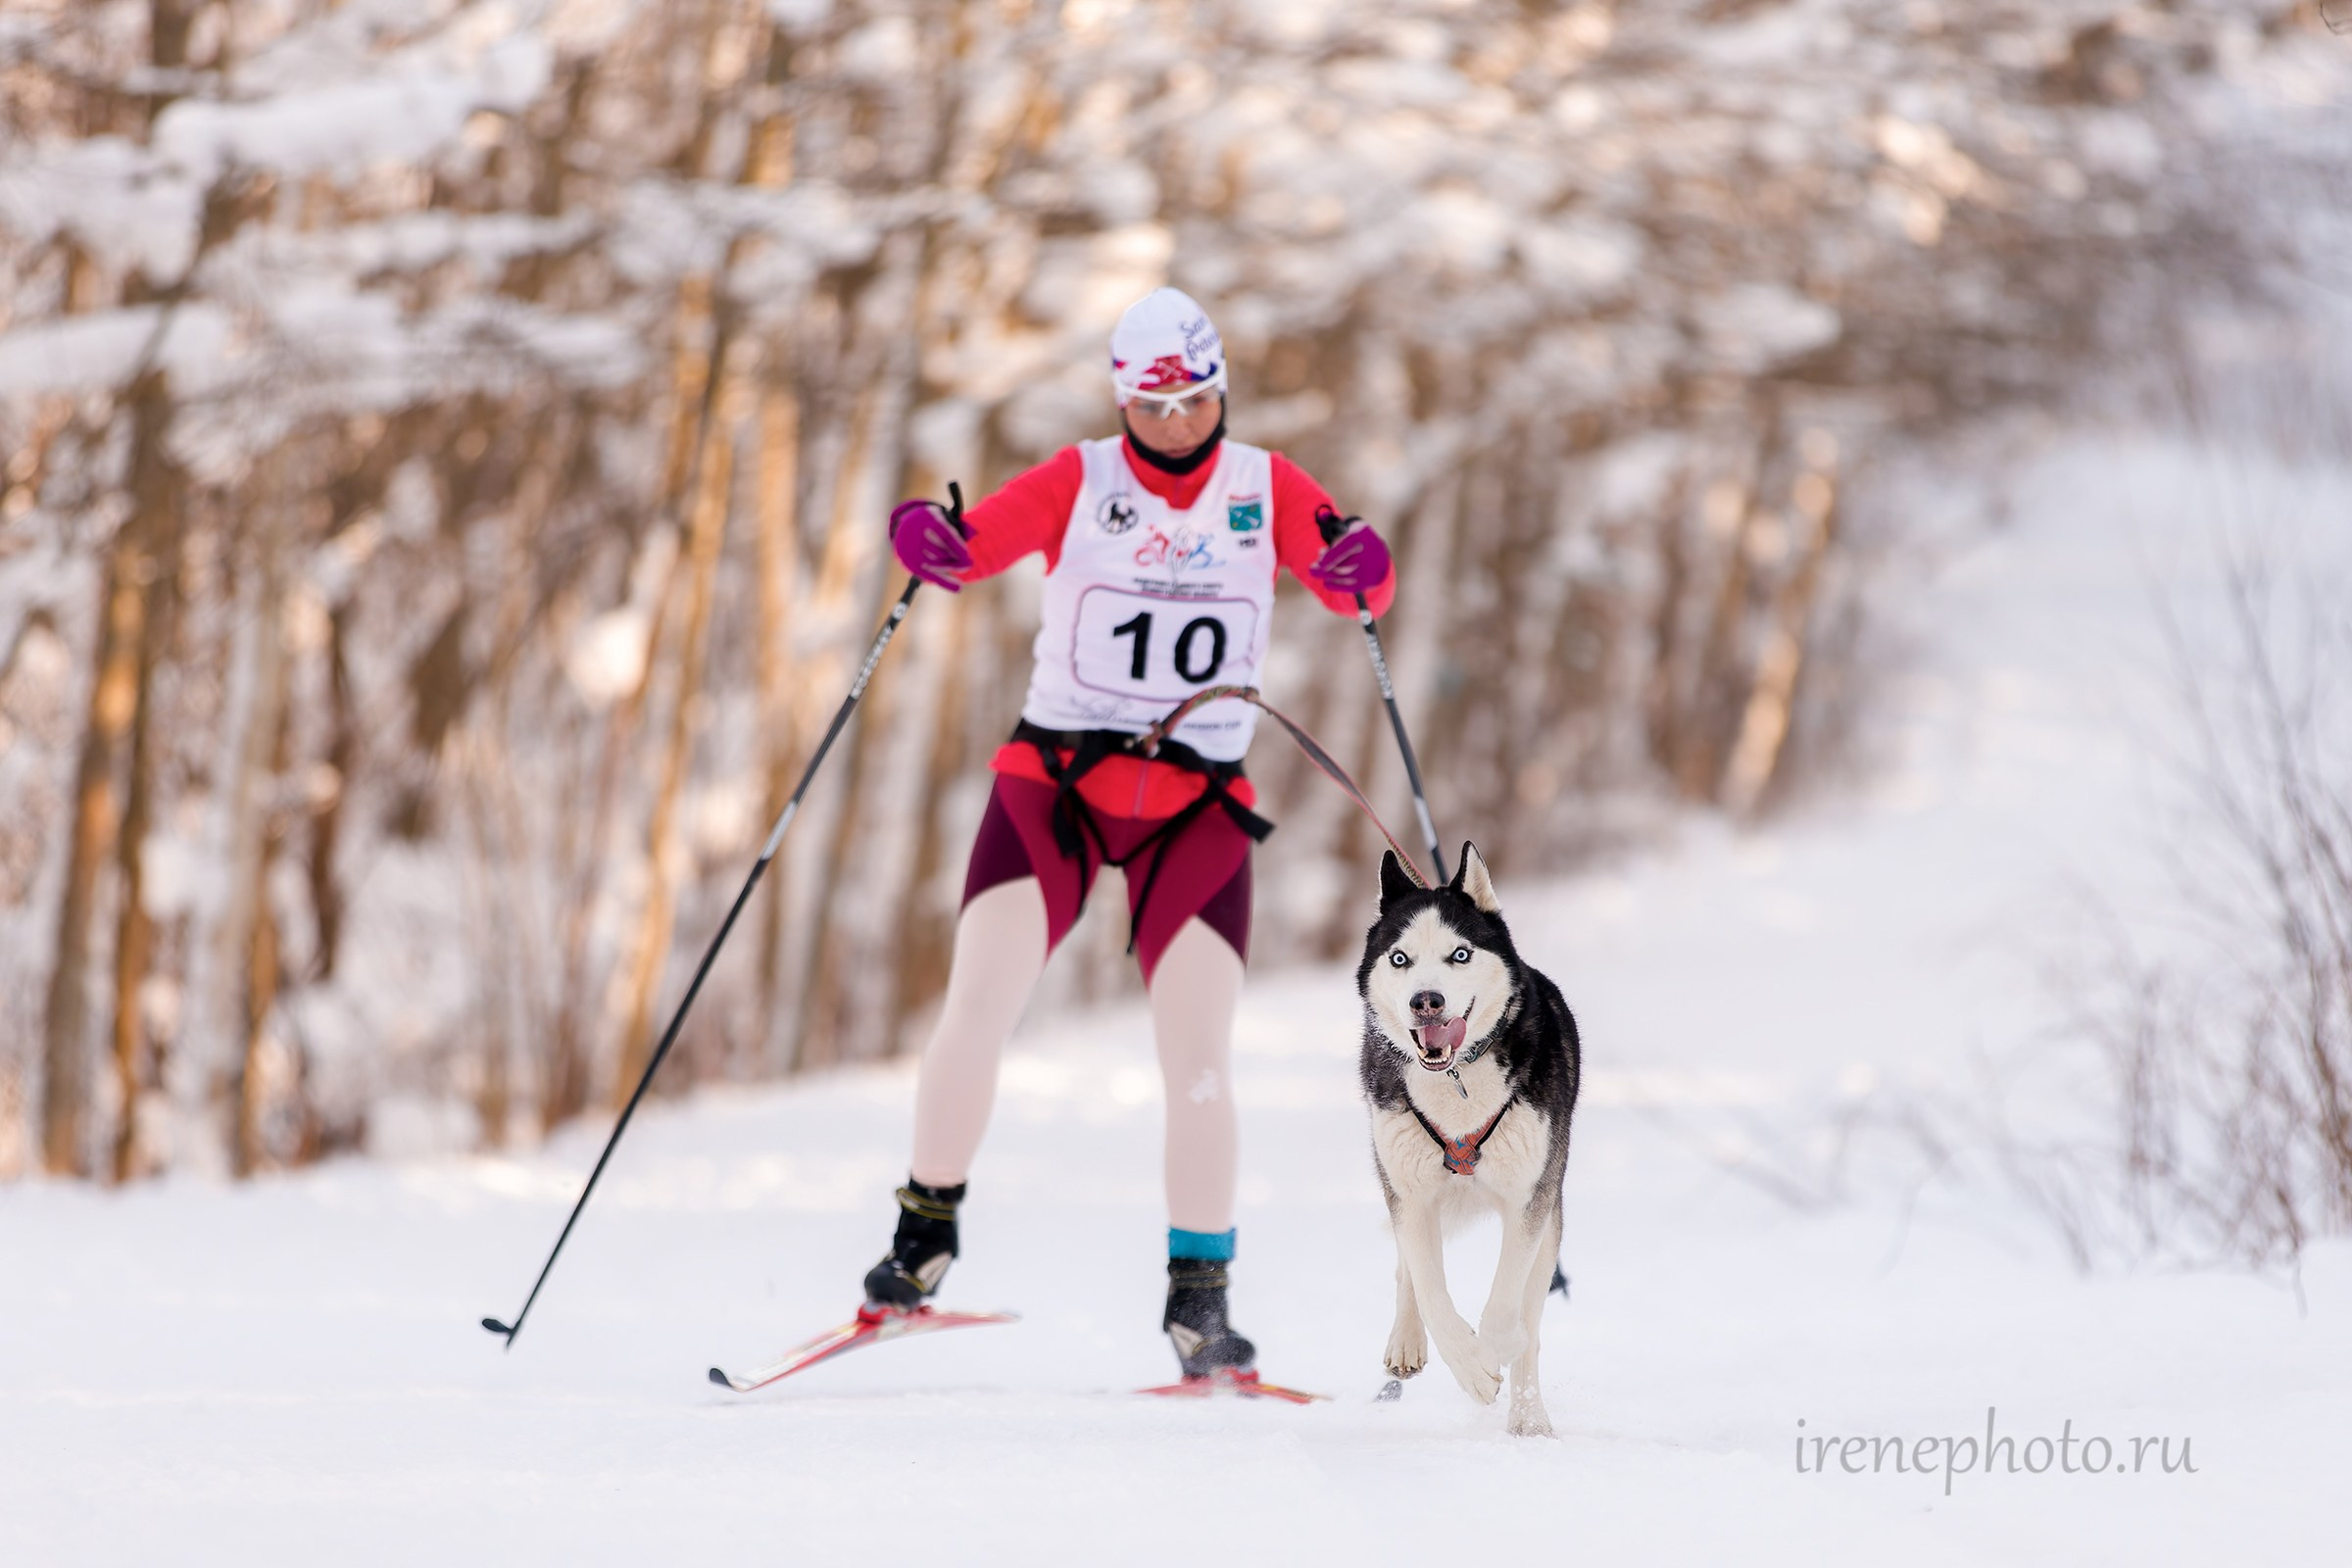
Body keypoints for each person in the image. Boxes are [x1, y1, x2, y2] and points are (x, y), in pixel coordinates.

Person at [868, 287, 1396, 1379]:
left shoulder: (1264, 483)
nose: (1176, 425)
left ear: (1219, 390)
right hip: (1054, 786)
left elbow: (1353, 582)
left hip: (1194, 807)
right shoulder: (1082, 479)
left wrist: (1362, 569)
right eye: (1154, 407)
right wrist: (930, 540)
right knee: (977, 1009)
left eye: (1196, 401)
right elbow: (971, 546)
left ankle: (1199, 1300)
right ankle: (920, 1240)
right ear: (1122, 401)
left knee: (1198, 1059)